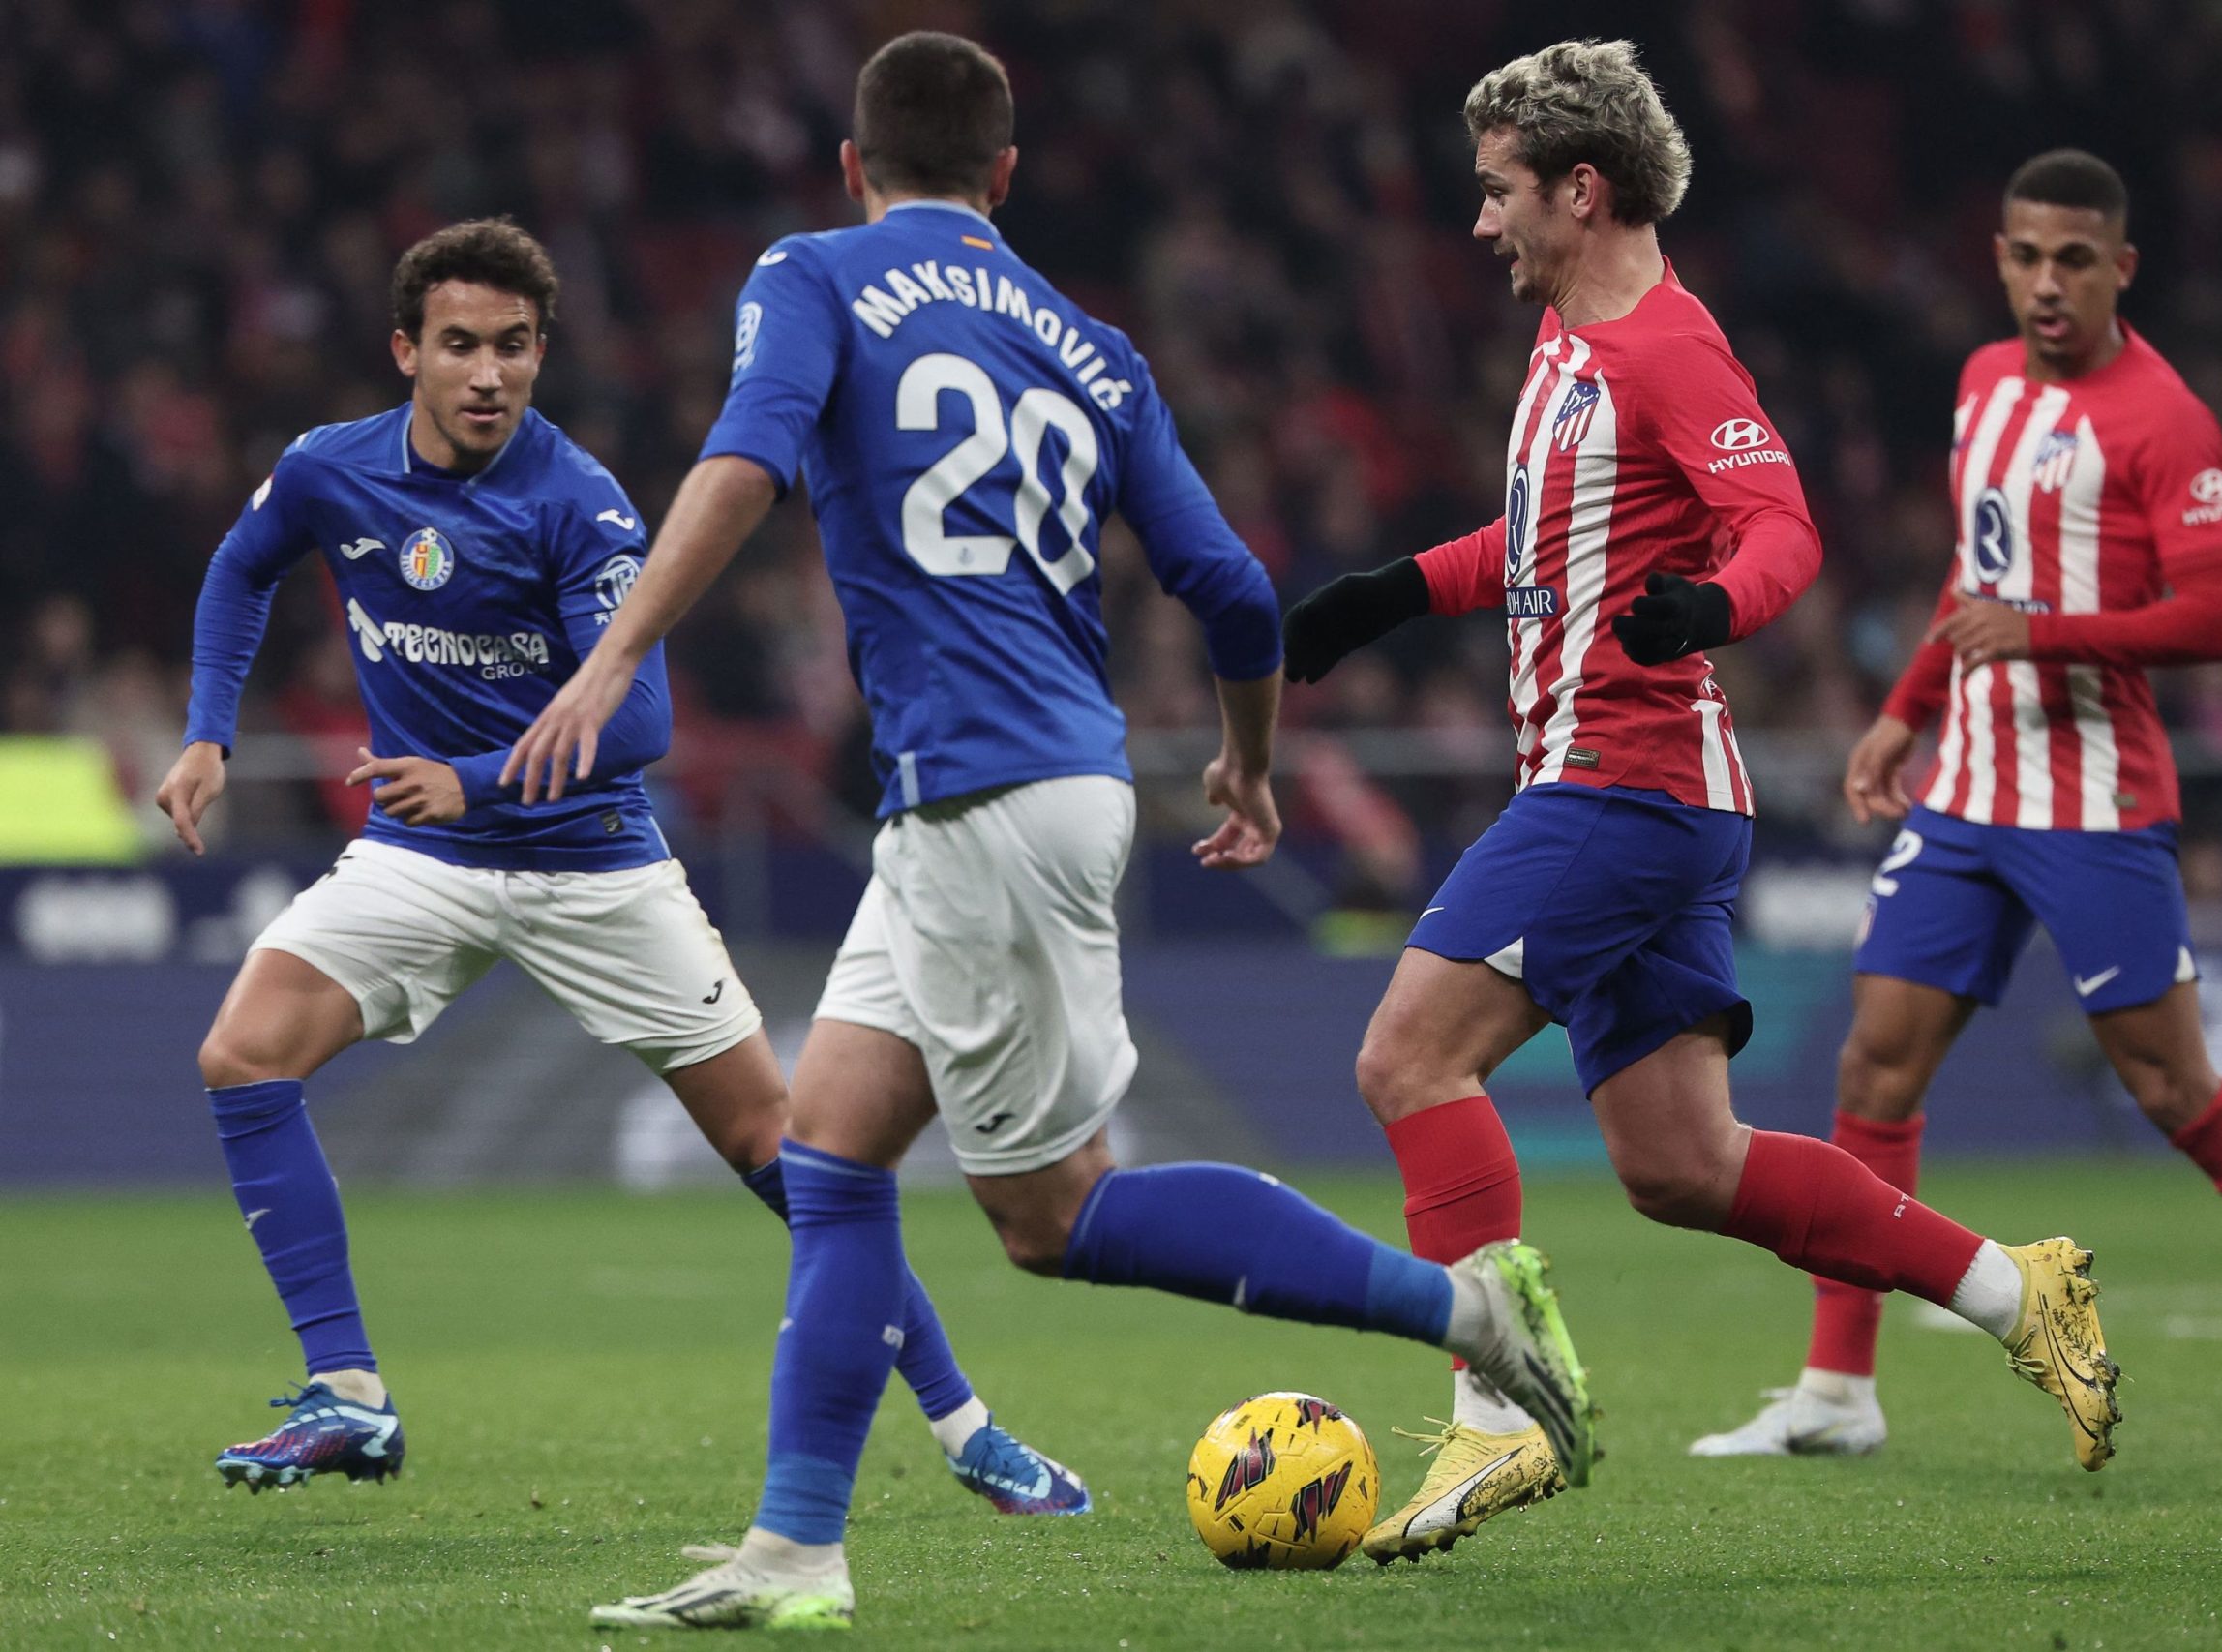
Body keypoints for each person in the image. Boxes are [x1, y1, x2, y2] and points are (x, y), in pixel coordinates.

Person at [504, 34, 1594, 1633]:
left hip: (985, 799)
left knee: (1056, 1216)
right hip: (1019, 786)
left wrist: (613, 655)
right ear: (1006, 177)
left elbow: (746, 457)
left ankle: (1466, 1305)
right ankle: (795, 1551)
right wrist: (1245, 763)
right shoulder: (1095, 347)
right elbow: (1229, 587)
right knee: (831, 1155)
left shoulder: (812, 273)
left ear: (851, 165)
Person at [1279, 44, 2118, 1567]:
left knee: (1407, 1057)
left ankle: (1496, 1407)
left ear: (1578, 190)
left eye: (1496, 193)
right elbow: (1539, 543)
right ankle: (2018, 1289)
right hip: (1642, 793)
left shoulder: (1668, 351)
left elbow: (1782, 524)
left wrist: (1713, 606)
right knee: (1684, 1166)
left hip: (1627, 781)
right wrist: (1388, 594)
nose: (1481, 226)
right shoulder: (1563, 350)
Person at [158, 217, 1085, 1516]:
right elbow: (239, 567)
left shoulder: (576, 499)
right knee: (243, 1052)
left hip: (591, 867)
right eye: (463, 345)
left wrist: (477, 776)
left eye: (516, 347)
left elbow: (641, 720)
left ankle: (970, 1426)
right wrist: (208, 731)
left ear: (543, 352)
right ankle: (348, 1394)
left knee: (792, 1151)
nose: (491, 373)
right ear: (406, 352)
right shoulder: (330, 470)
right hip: (420, 851)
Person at [1691, 152, 2222, 1463]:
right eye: (2029, 256)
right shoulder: (1983, 385)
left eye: (2076, 260)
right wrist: (1908, 705)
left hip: (2096, 797)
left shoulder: (2165, 419)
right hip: (1969, 787)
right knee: (1876, 1060)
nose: (2050, 283)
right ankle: (1839, 1384)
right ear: (2000, 257)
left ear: (2121, 269)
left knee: (2172, 1083)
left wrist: (2035, 633)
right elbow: (1976, 576)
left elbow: (2219, 613)